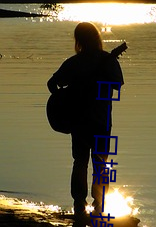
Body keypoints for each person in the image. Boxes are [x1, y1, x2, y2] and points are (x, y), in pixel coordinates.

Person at [47, 22, 124, 220]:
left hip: (79, 121)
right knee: (101, 163)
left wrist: (64, 98)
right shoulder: (108, 60)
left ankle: (79, 205)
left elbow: (51, 83)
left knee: (79, 162)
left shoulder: (74, 62)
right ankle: (99, 206)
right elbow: (118, 84)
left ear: (79, 40)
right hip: (101, 121)